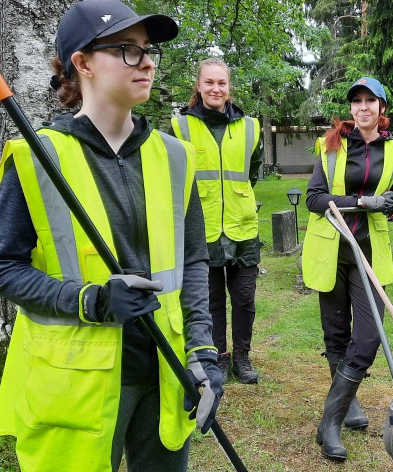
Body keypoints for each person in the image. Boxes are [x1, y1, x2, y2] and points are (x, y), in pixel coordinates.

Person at [0, 1, 222, 470]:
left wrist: (203, 352)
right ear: (83, 63)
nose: (147, 62)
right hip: (77, 380)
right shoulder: (38, 159)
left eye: (148, 50)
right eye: (128, 50)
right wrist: (90, 301)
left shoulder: (176, 157)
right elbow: (2, 269)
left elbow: (193, 261)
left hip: (165, 370)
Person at [302, 77, 393, 461]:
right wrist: (363, 202)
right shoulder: (331, 146)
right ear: (351, 108)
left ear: (382, 108)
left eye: (370, 101)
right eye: (357, 101)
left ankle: (329, 419)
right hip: (332, 250)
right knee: (336, 335)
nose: (363, 107)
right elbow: (315, 199)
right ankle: (339, 416)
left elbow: (388, 194)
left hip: (368, 253)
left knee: (368, 336)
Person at [170, 58, 263, 384]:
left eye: (221, 83)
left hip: (243, 226)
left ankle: (243, 356)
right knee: (211, 302)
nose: (215, 88)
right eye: (209, 82)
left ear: (229, 87)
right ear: (198, 86)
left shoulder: (250, 127)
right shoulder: (180, 127)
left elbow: (253, 170)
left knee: (244, 299)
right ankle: (219, 356)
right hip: (202, 228)